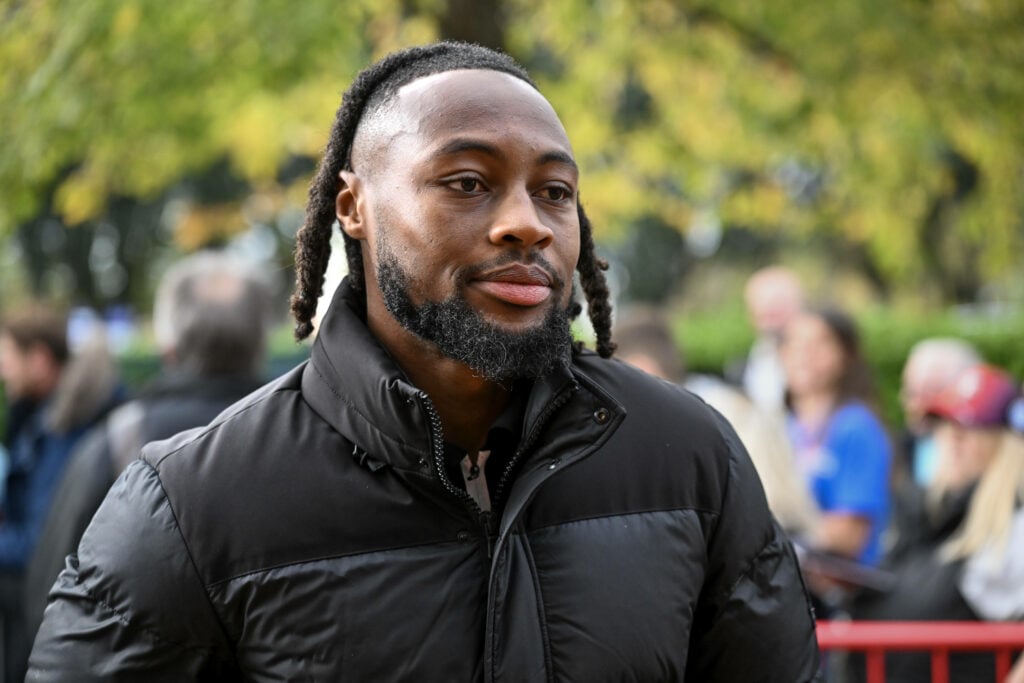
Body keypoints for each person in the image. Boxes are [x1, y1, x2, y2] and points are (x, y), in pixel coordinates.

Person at [29, 42, 819, 681]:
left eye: (554, 192)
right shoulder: (194, 504)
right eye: (468, 182)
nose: (526, 224)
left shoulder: (688, 455)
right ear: (354, 207)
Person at [20, 251, 276, 671]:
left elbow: (49, 601)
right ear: (261, 341)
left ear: (167, 343)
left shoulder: (115, 443)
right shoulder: (320, 440)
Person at [851, 364, 1024, 682]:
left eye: (970, 430)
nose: (952, 441)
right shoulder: (926, 512)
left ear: (1006, 442)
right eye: (945, 426)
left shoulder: (1013, 527)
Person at [614, 306, 818, 537]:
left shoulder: (716, 417)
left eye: (615, 378)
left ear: (642, 368)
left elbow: (769, 517)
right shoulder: (707, 408)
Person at [0, 305, 122, 682]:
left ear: (38, 360)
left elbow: (42, 544)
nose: (3, 374)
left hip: (46, 614)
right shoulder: (47, 415)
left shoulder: (65, 430)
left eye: (7, 359)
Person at [780, 307, 892, 567]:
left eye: (819, 344)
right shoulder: (786, 426)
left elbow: (849, 536)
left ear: (845, 354)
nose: (804, 355)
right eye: (794, 344)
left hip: (842, 590)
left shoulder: (856, 427)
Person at [898, 338, 980, 486]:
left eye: (929, 393)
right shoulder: (903, 445)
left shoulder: (979, 452)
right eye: (911, 393)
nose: (915, 405)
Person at [734, 265, 804, 414]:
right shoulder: (743, 368)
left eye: (778, 306)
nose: (770, 316)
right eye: (762, 308)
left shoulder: (819, 363)